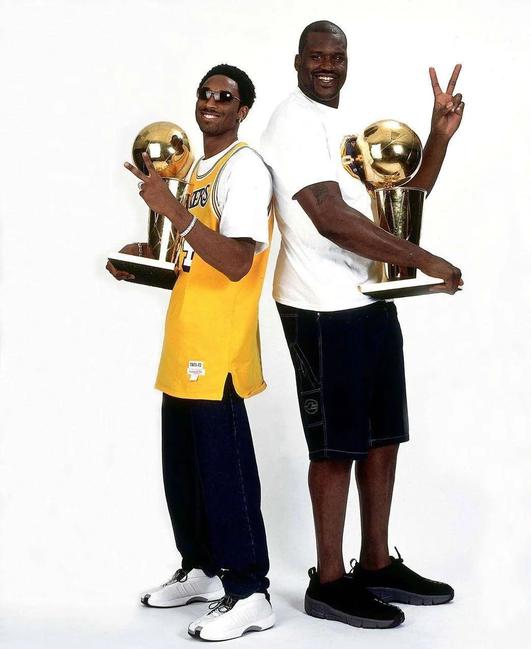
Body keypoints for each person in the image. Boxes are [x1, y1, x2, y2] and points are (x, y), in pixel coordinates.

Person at [261, 20, 464, 629]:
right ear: (298, 61)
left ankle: (376, 564)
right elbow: (328, 216)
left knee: (382, 437)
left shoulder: (339, 124)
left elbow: (397, 208)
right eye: (317, 56)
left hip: (369, 298)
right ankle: (328, 582)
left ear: (347, 62)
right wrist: (425, 259)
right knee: (336, 445)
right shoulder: (292, 123)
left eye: (337, 57)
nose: (327, 66)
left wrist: (438, 137)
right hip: (319, 307)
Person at [107, 64, 275, 642]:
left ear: (243, 110)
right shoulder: (198, 170)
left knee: (225, 472)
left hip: (218, 347)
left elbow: (237, 262)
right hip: (184, 340)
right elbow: (195, 260)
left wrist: (172, 210)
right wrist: (142, 261)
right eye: (205, 93)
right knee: (184, 471)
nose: (211, 102)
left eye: (225, 96)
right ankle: (202, 568)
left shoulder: (244, 167)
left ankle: (250, 592)